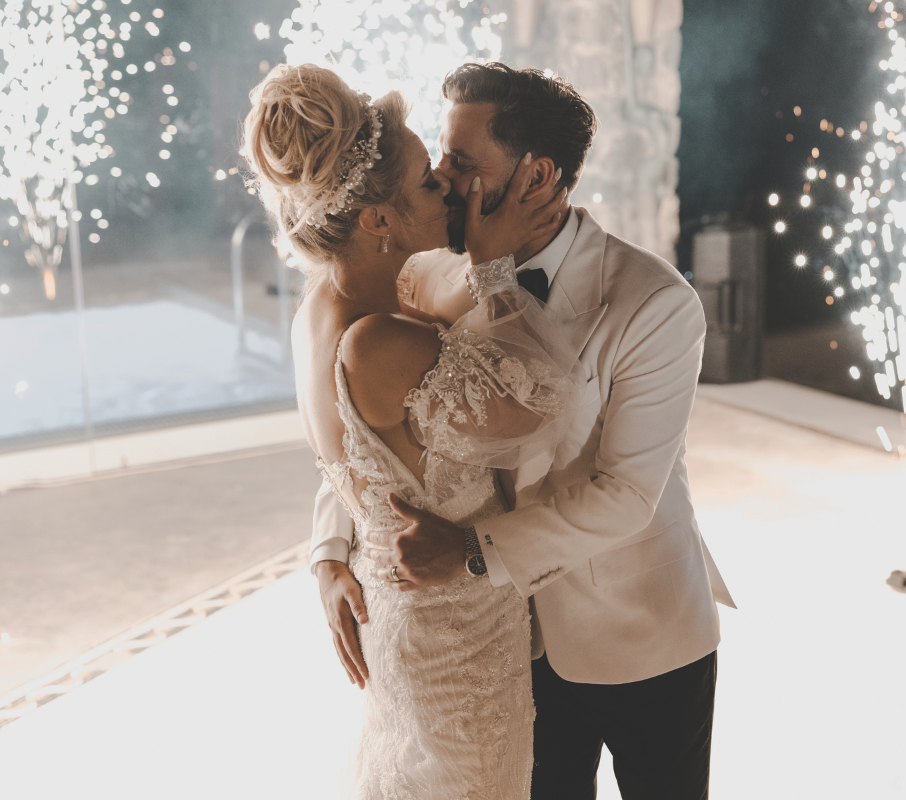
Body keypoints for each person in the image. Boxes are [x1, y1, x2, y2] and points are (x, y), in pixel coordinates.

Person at [311, 62, 736, 799]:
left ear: (537, 176)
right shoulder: (427, 272)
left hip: (642, 633)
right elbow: (375, 418)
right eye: (440, 158)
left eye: (463, 162)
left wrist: (473, 554)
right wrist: (334, 547)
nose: (442, 177)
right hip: (504, 647)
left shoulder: (655, 302)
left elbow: (628, 494)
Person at [242, 63, 576, 798]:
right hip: (456, 652)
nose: (448, 188)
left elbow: (366, 468)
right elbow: (541, 395)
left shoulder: (320, 311)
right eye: (429, 180)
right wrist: (493, 264)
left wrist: (330, 557)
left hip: (404, 629)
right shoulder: (376, 343)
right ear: (378, 219)